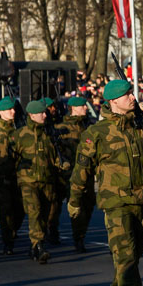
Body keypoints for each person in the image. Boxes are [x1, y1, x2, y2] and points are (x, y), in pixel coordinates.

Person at [69, 80, 143, 286]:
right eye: (127, 95)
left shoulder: (141, 128)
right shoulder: (97, 133)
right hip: (116, 204)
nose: (132, 97)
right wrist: (74, 200)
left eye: (131, 92)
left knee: (133, 257)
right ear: (113, 101)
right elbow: (81, 171)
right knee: (126, 257)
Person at [14, 100, 68, 264]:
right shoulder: (20, 135)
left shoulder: (50, 134)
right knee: (35, 211)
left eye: (45, 112)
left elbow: (56, 156)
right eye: (40, 113)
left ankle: (35, 246)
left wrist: (62, 164)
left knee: (46, 214)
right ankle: (38, 246)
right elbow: (12, 158)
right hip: (28, 182)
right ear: (31, 115)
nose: (44, 115)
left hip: (48, 181)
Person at [0, 98, 21, 256]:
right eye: (9, 110)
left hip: (18, 176)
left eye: (13, 109)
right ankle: (7, 242)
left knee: (19, 208)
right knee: (6, 208)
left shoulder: (18, 128)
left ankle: (12, 231)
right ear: (0, 112)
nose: (13, 112)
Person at [60, 96, 92, 253]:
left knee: (89, 204)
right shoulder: (62, 128)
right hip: (70, 175)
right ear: (73, 108)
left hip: (89, 173)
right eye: (83, 106)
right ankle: (78, 238)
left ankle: (81, 234)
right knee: (76, 206)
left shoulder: (89, 126)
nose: (86, 108)